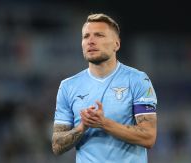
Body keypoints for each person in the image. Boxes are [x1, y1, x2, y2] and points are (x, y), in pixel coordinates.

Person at [52, 13, 157, 163]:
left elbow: (149, 137)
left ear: (117, 44)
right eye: (86, 36)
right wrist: (82, 127)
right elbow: (56, 145)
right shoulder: (68, 86)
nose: (91, 41)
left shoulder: (137, 80)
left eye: (99, 35)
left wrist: (104, 123)